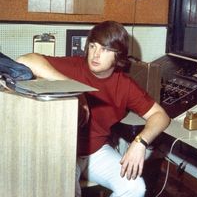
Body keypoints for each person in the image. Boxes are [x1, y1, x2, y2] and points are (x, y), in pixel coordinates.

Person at [17, 20, 170, 197]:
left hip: (96, 151)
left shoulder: (125, 85)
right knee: (65, 190)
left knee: (135, 187)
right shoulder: (74, 67)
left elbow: (160, 116)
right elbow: (25, 60)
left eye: (104, 49)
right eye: (92, 46)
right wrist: (75, 89)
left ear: (118, 55)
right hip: (65, 152)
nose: (95, 54)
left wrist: (140, 142)